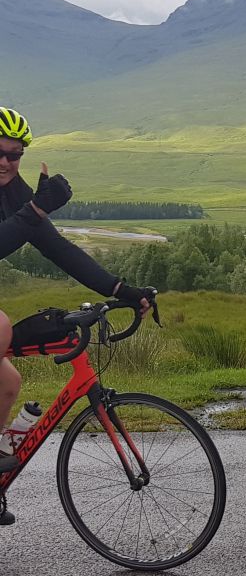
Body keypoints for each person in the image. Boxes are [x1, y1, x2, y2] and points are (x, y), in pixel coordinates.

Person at [0, 106, 150, 526]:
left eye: (15, 155)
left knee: (8, 381)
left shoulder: (11, 189)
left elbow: (55, 247)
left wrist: (120, 289)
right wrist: (36, 210)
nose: (6, 162)